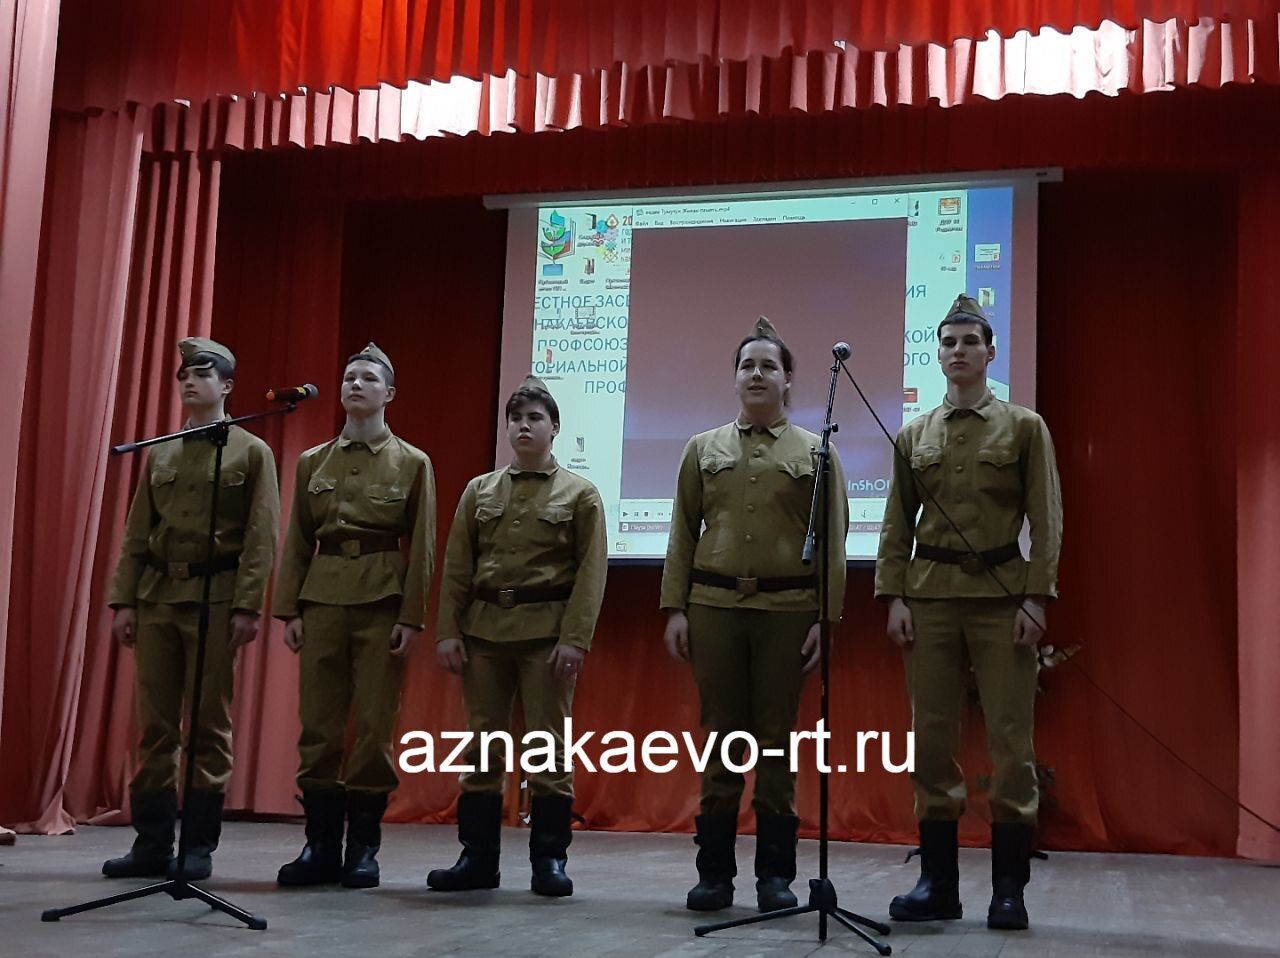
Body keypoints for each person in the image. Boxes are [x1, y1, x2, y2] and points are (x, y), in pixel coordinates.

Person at [875, 294, 1062, 931]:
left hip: (1002, 599)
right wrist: (894, 595)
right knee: (931, 741)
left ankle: (1009, 889)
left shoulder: (1024, 427)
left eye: (970, 342)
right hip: (928, 600)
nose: (958, 352)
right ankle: (938, 884)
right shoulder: (913, 434)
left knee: (1011, 743)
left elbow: (1047, 518)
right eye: (948, 343)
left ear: (989, 352)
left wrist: (1038, 597)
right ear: (939, 354)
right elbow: (895, 523)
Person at [660, 317, 849, 914]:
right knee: (719, 738)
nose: (758, 374)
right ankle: (714, 874)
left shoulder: (817, 452)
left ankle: (775, 877)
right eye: (748, 365)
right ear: (735, 379)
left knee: (774, 745)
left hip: (787, 611)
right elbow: (682, 535)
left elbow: (834, 543)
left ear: (789, 379)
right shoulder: (702, 448)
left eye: (769, 365)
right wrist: (675, 609)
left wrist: (827, 618)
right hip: (713, 606)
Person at [104, 337, 280, 881]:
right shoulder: (162, 450)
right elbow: (138, 533)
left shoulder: (251, 451)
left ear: (226, 386)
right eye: (183, 374)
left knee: (208, 725)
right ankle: (152, 843)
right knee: (154, 725)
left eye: (201, 373)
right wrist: (123, 600)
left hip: (216, 598)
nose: (188, 381)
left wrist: (248, 605)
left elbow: (260, 537)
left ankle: (198, 846)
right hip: (158, 598)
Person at [428, 375, 607, 898]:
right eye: (516, 418)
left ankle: (549, 861)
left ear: (555, 428)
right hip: (485, 635)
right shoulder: (479, 490)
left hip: (547, 638)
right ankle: (477, 859)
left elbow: (590, 573)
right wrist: (447, 631)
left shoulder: (581, 493)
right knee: (482, 749)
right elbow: (458, 566)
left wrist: (576, 639)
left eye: (535, 418)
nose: (523, 426)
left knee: (548, 749)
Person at [273, 343, 436, 889]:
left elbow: (425, 547)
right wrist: (288, 609)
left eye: (367, 378)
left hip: (380, 602)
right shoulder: (314, 461)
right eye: (348, 378)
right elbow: (296, 541)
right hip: (321, 602)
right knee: (318, 729)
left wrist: (411, 619)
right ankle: (319, 847)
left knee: (373, 729)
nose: (354, 385)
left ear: (388, 393)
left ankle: (363, 849)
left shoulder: (412, 463)